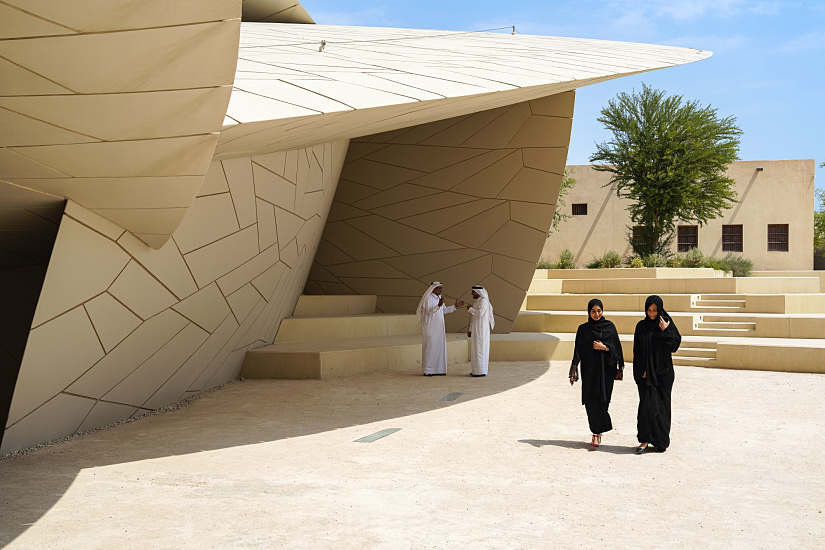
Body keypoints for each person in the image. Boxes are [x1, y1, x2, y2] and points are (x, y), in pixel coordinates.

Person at [569, 299, 625, 448]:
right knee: (590, 402)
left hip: (606, 372)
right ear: (589, 312)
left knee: (603, 402)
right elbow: (578, 351)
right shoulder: (583, 329)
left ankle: (596, 434)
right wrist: (574, 369)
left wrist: (604, 347)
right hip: (589, 372)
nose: (596, 314)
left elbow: (617, 351)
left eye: (599, 311)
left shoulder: (609, 327)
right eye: (593, 311)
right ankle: (597, 430)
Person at [633, 295, 681, 454]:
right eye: (649, 310)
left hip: (663, 374)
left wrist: (665, 330)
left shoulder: (666, 323)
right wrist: (641, 370)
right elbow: (637, 351)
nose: (652, 313)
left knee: (662, 408)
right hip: (646, 374)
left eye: (655, 310)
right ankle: (644, 440)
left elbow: (674, 346)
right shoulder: (641, 326)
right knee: (646, 407)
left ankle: (660, 441)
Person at [416, 282, 463, 376]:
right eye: (439, 288)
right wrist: (438, 305)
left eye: (441, 288)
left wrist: (455, 306)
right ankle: (428, 370)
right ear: (433, 289)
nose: (441, 289)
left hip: (439, 329)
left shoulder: (439, 299)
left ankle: (439, 369)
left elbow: (444, 310)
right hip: (430, 328)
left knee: (439, 348)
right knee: (430, 348)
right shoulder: (428, 299)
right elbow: (428, 312)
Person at [466, 285, 494, 377]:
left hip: (481, 330)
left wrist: (470, 309)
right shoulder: (477, 302)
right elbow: (474, 318)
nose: (471, 294)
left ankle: (481, 371)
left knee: (481, 349)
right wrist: (470, 329)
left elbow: (480, 314)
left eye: (473, 292)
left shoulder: (484, 302)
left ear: (478, 293)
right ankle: (475, 370)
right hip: (475, 329)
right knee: (475, 349)